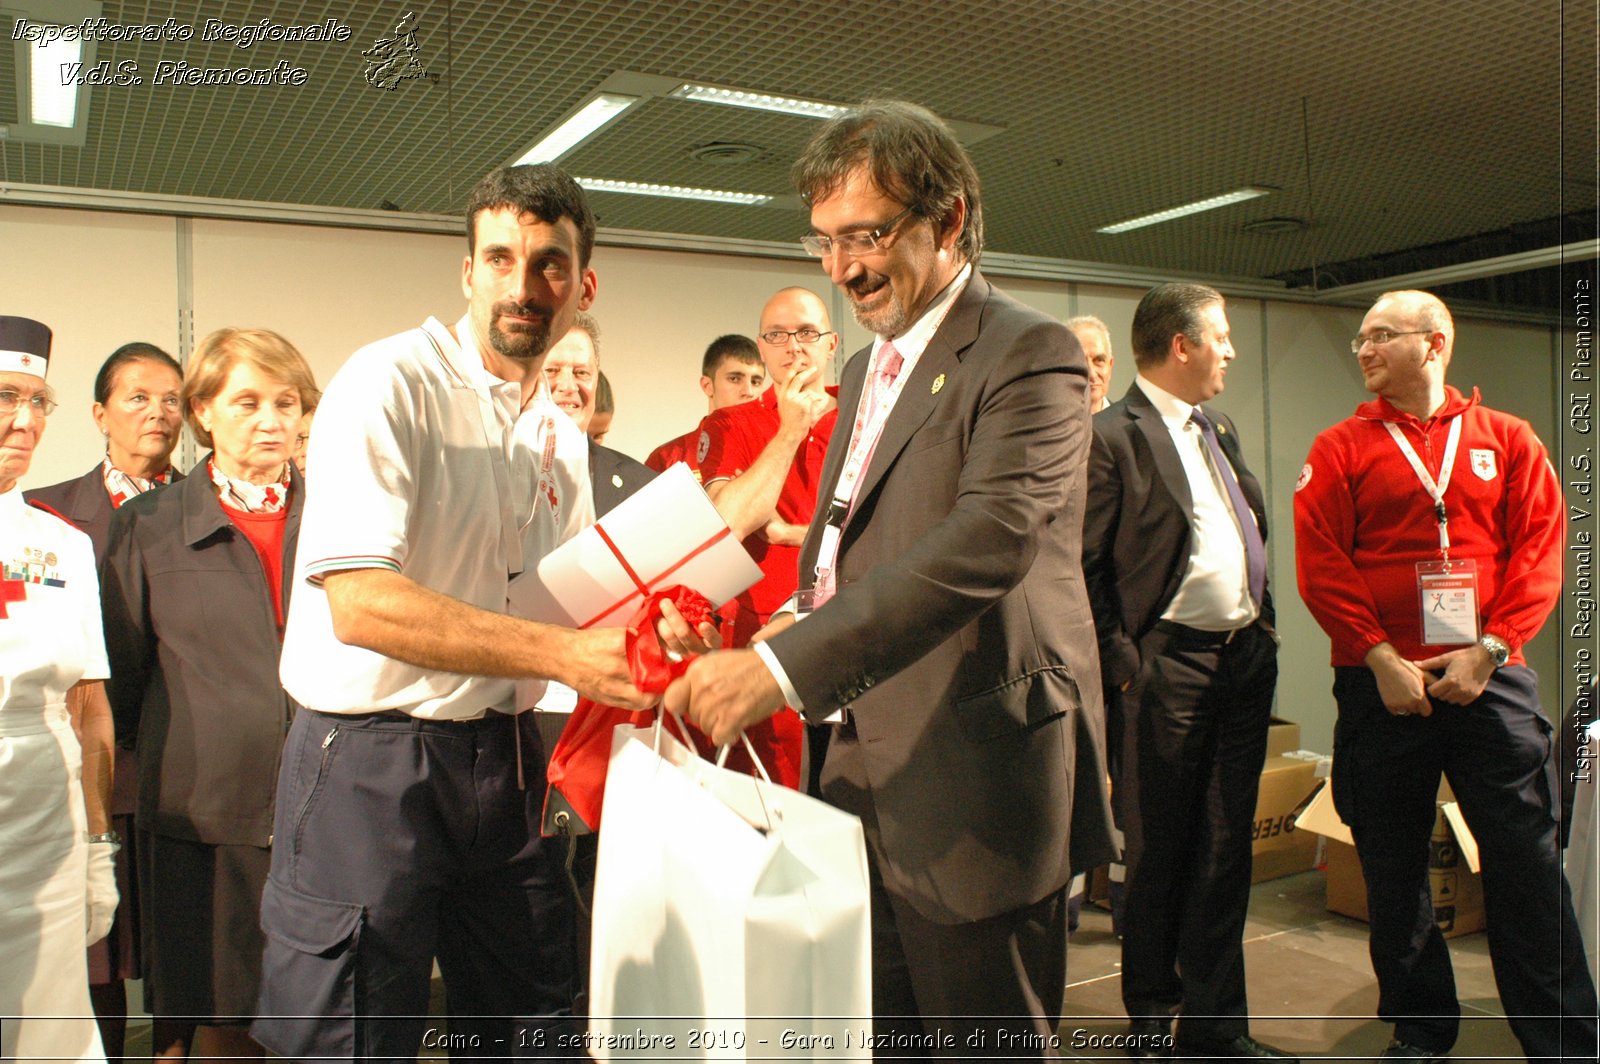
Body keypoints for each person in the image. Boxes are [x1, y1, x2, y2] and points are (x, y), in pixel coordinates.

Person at [666, 99, 1114, 1055]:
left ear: (948, 219)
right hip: (859, 770)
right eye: (824, 241)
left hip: (973, 774)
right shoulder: (866, 370)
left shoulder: (1029, 353)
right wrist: (765, 632)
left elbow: (984, 542)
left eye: (866, 235)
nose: (842, 269)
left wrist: (780, 673)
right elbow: (844, 553)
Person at [255, 164, 703, 1059]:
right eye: (499, 258)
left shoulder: (558, 432)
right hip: (369, 763)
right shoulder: (386, 385)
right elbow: (361, 604)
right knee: (349, 1033)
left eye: (547, 264)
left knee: (531, 1020)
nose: (521, 284)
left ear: (583, 285)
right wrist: (564, 655)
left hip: (506, 759)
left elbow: (573, 599)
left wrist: (658, 627)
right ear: (466, 271)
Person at [1294, 289, 1597, 1062]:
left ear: (1433, 345)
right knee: (1393, 870)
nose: (1362, 349)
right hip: (1380, 685)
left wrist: (1490, 649)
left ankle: (1563, 1039)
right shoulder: (1339, 449)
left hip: (1490, 678)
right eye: (1360, 338)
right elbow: (1322, 563)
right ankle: (1422, 1030)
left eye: (1381, 336)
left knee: (1528, 865)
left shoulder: (1510, 439)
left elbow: (1539, 552)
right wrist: (1378, 656)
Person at [1082, 283, 1294, 1061]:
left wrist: (1261, 626)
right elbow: (1084, 567)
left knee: (1225, 846)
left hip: (1240, 663)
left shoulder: (1219, 426)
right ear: (1181, 345)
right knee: (1160, 849)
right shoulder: (1112, 435)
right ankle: (1150, 1017)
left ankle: (1215, 1028)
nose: (1231, 351)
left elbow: (1242, 527)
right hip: (1163, 668)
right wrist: (1127, 667)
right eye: (1222, 337)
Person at [99, 328, 317, 1063]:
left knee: (323, 1014)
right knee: (223, 1020)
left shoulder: (341, 519)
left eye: (286, 402)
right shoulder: (148, 527)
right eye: (248, 401)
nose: (271, 420)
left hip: (332, 806)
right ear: (203, 412)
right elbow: (124, 677)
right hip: (205, 815)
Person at [25, 340, 185, 1062]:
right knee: (94, 960)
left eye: (173, 399)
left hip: (185, 763)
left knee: (184, 948)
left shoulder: (203, 508)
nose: (158, 412)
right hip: (92, 767)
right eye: (138, 398)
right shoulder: (47, 517)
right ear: (98, 413)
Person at [0, 314, 118, 1062]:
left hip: (43, 820)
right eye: (7, 396)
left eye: (40, 401)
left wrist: (99, 846)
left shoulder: (61, 544)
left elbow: (91, 708)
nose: (25, 420)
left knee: (46, 1035)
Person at [695, 287, 840, 790]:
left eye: (806, 333)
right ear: (762, 348)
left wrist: (789, 531)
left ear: (831, 344)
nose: (793, 347)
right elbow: (728, 522)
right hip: (761, 650)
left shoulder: (862, 417)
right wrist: (790, 430)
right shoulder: (731, 423)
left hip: (850, 636)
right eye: (777, 335)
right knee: (771, 804)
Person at [544, 312, 654, 515]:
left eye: (581, 373)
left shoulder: (645, 489)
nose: (568, 386)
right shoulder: (485, 475)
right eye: (551, 370)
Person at [643, 334, 765, 478]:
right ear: (707, 386)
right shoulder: (667, 459)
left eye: (756, 382)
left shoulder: (776, 456)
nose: (748, 392)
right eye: (734, 379)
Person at [1069, 314, 1116, 414]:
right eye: (1081, 361)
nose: (1092, 374)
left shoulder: (1129, 426)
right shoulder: (1048, 425)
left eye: (1099, 360)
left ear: (1110, 365)